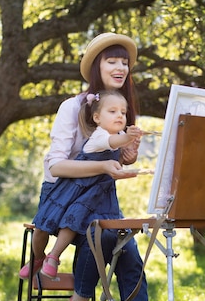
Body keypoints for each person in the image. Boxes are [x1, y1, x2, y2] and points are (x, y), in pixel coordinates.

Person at [18, 33, 161, 301]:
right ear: (97, 66)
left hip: (99, 195)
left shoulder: (122, 106)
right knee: (106, 237)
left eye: (124, 62)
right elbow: (56, 165)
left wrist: (129, 152)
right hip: (62, 196)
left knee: (129, 255)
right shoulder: (73, 106)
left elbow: (118, 159)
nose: (121, 67)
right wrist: (102, 165)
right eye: (112, 60)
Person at [31, 90, 143, 279]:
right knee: (43, 225)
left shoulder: (119, 135)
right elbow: (113, 142)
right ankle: (38, 258)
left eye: (123, 113)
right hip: (76, 188)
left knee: (72, 222)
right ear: (97, 118)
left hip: (94, 194)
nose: (120, 116)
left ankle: (53, 257)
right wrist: (127, 138)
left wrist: (129, 155)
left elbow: (117, 160)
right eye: (113, 111)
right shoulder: (101, 136)